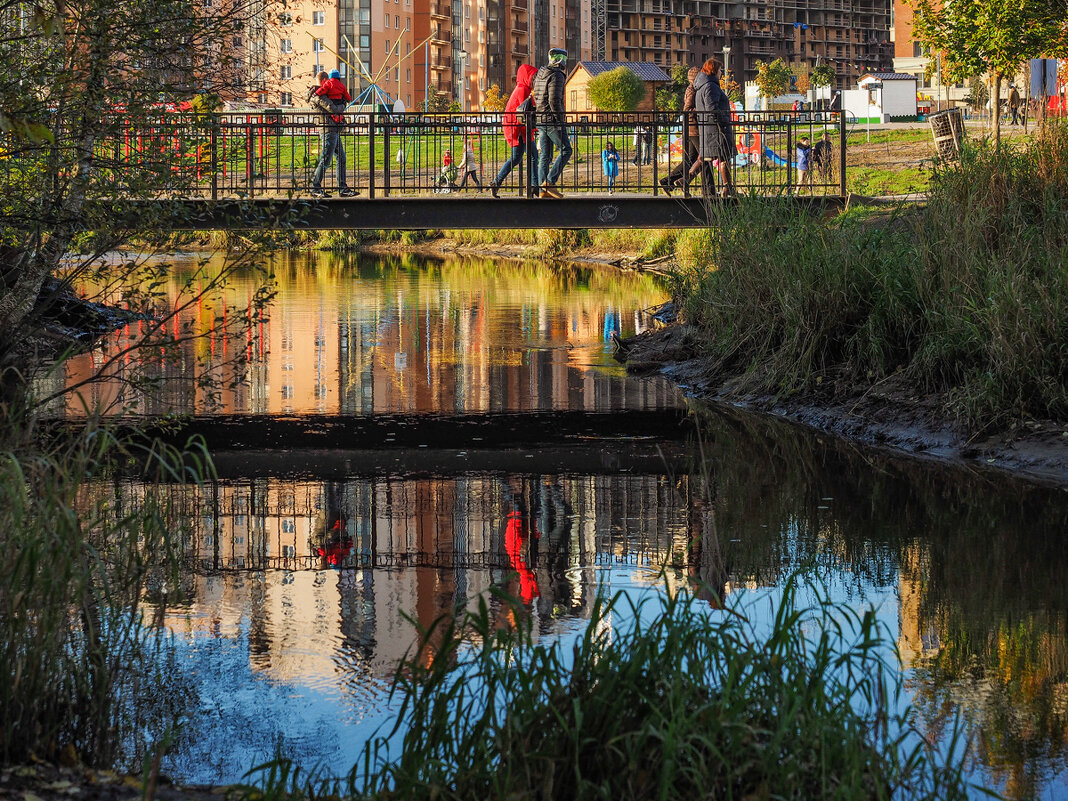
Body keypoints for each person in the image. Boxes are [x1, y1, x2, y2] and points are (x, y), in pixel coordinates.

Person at [490, 63, 539, 198]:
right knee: (532, 156)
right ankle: (534, 186)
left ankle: (497, 182)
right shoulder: (523, 90)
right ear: (527, 77)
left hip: (518, 127)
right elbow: (524, 113)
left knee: (518, 158)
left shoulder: (524, 89)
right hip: (517, 128)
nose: (535, 80)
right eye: (533, 77)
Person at [660, 66, 709, 195]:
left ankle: (668, 181)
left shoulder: (693, 89)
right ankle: (707, 190)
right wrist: (701, 111)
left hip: (691, 129)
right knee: (706, 158)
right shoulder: (693, 90)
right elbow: (687, 109)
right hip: (694, 129)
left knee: (690, 160)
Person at [308, 69, 357, 197]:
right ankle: (315, 188)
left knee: (341, 158)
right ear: (325, 81)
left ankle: (342, 188)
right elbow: (333, 109)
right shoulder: (319, 95)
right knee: (326, 159)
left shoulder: (324, 93)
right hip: (328, 129)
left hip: (332, 129)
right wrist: (343, 104)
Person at [692, 58, 736, 198]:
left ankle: (685, 180)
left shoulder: (701, 86)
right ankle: (727, 188)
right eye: (720, 70)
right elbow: (712, 108)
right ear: (714, 70)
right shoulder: (711, 86)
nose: (721, 73)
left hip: (707, 129)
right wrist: (723, 121)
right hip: (716, 129)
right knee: (724, 157)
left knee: (706, 157)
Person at [532, 47, 572, 199]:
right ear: (561, 61)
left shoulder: (540, 74)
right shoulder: (557, 75)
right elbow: (554, 100)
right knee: (566, 150)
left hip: (541, 119)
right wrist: (560, 119)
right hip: (552, 120)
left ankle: (543, 191)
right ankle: (549, 182)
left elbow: (537, 97)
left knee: (545, 157)